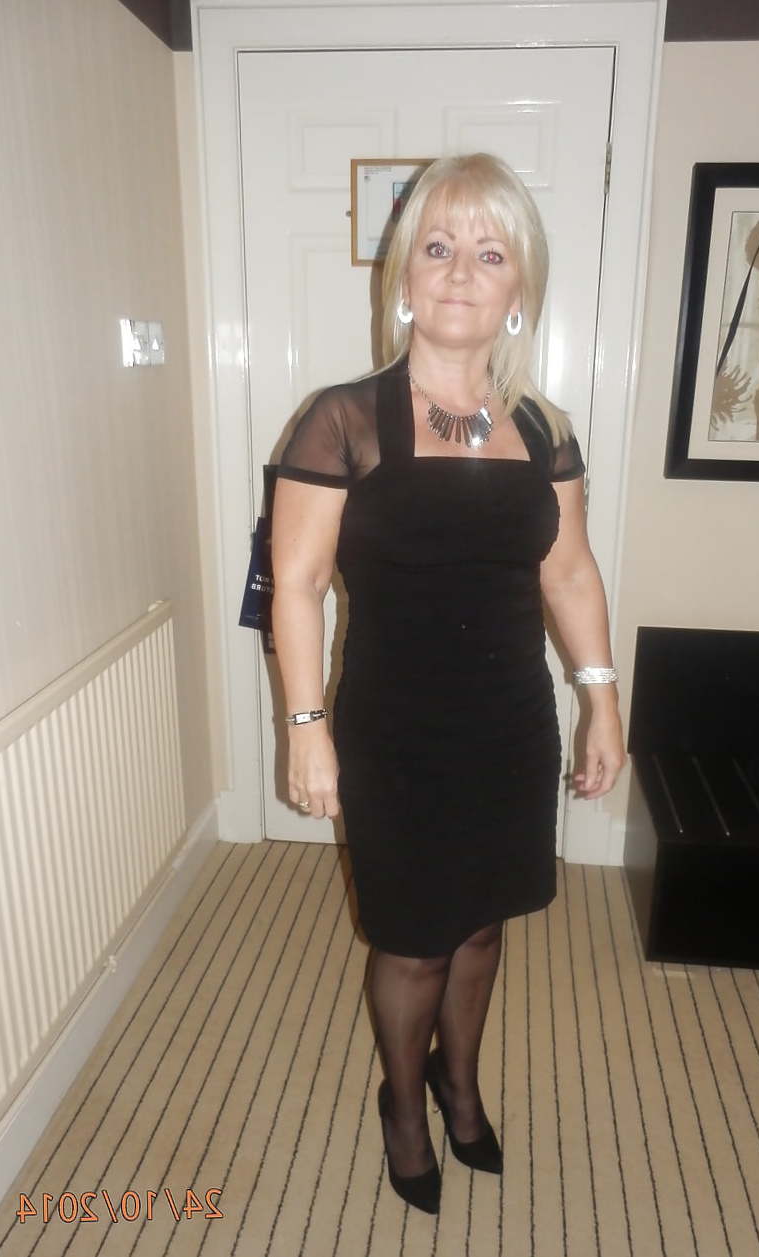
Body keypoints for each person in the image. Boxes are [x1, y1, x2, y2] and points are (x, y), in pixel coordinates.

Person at [270, 152, 626, 1215]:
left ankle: (459, 1083)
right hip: (394, 732)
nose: (461, 271)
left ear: (520, 286)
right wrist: (305, 727)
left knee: (482, 925)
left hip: (510, 727)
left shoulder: (544, 429)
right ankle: (403, 1101)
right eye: (438, 247)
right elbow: (297, 586)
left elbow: (569, 572)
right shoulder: (342, 420)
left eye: (489, 252)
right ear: (404, 277)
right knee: (415, 939)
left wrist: (602, 698)